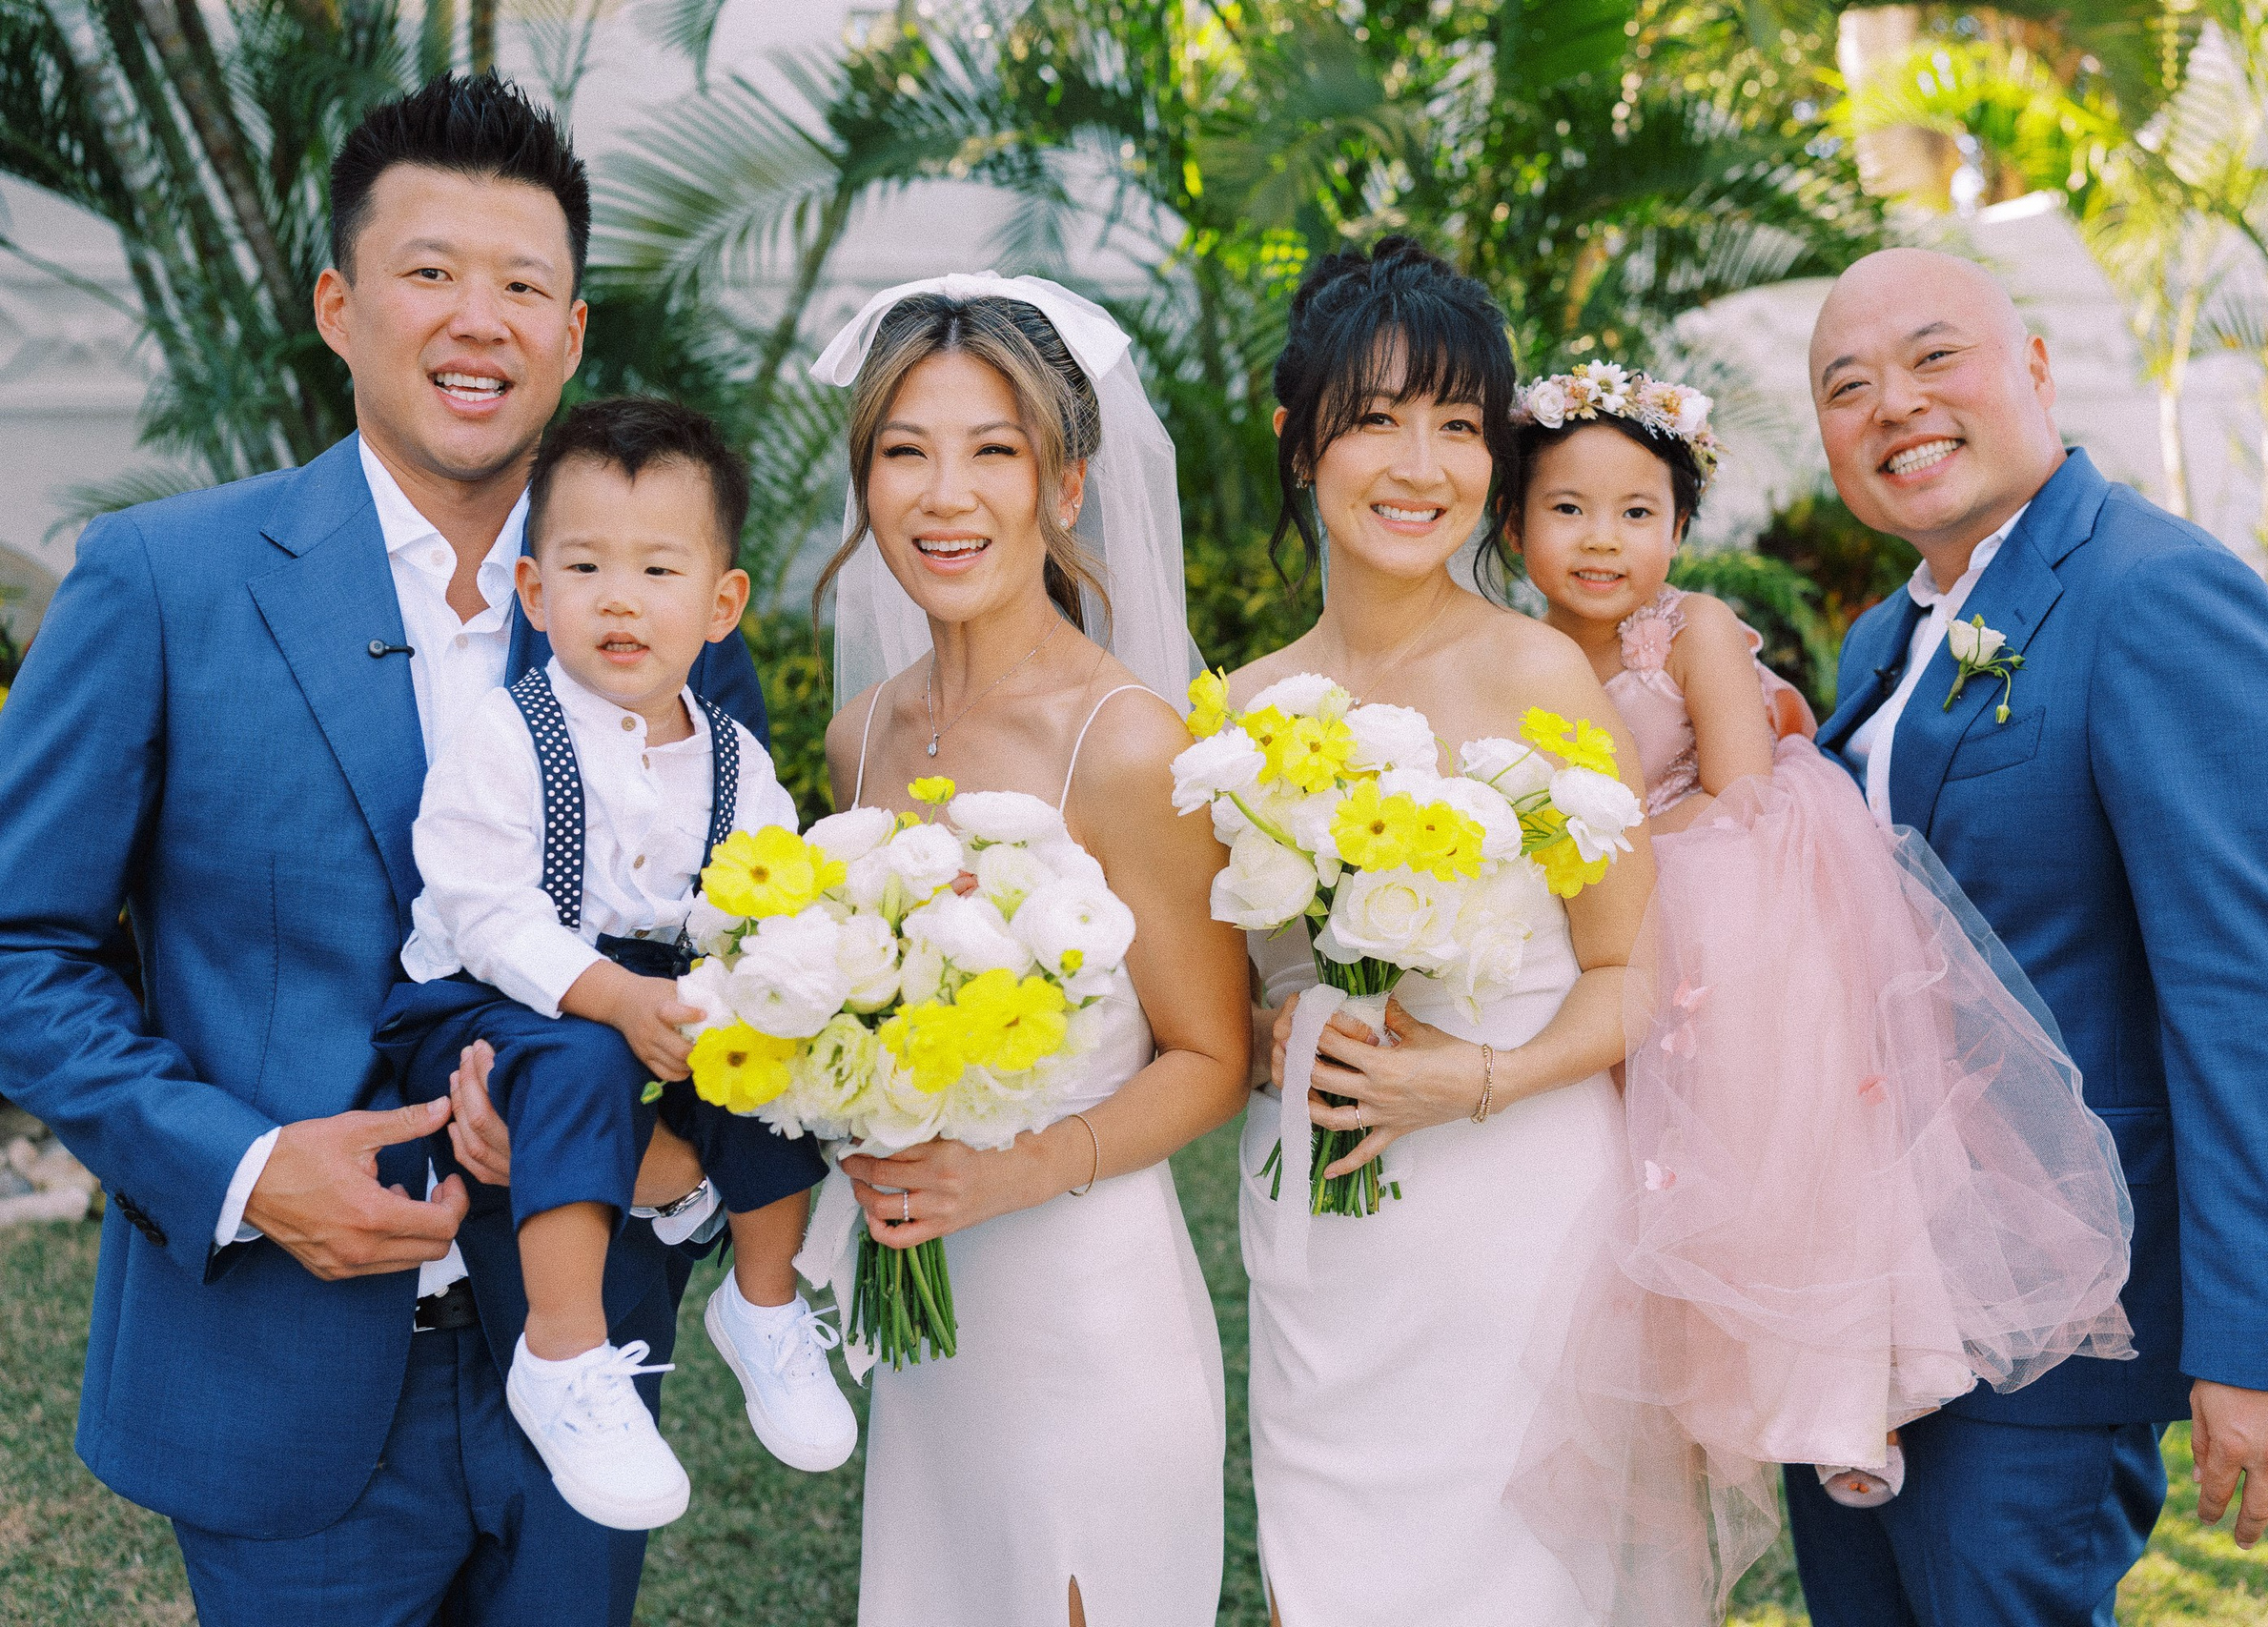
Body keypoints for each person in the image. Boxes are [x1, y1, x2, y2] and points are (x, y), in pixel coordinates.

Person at [0, 73, 767, 1625]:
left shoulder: (661, 593)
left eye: (523, 285)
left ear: (571, 339)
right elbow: (23, 947)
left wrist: (671, 1149)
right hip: (282, 1373)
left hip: (588, 1346)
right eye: (430, 272)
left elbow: (731, 936)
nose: (477, 319)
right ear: (341, 305)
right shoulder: (162, 579)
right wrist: (253, 1166)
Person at [1496, 359, 2136, 1621]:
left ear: (1679, 528)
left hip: (1726, 929)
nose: (1604, 538)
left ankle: (1844, 1388)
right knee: (1630, 1221)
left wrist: (1608, 872)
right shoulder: (1506, 654)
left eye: (1639, 510)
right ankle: (1712, 1400)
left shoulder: (1691, 634)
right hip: (1572, 953)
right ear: (1515, 523)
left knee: (1791, 1179)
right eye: (1568, 508)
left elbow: (1745, 804)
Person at [1787, 246, 2268, 1625]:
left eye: (1936, 358)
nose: (1895, 406)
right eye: (1846, 385)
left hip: (2054, 1323)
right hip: (1866, 1309)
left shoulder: (2158, 595)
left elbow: (2255, 990)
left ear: (2034, 369)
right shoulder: (1881, 644)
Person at [796, 274, 1245, 1626]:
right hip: (935, 1329)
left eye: (994, 450)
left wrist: (1012, 1169)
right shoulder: (860, 734)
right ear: (867, 477)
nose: (947, 495)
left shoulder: (1125, 741)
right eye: (906, 451)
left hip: (1087, 1319)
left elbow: (1212, 1054)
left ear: (1065, 483)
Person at [1235, 236, 1655, 1625]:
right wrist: (1272, 1029)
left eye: (1459, 425)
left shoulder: (1536, 670)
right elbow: (1225, 1001)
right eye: (1376, 418)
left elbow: (1626, 974)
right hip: (1324, 1228)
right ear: (1300, 443)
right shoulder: (1243, 713)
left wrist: (1466, 1078)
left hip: (1518, 1214)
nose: (1421, 465)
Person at [374, 397, 851, 1533]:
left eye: (658, 569)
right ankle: (568, 1352)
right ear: (535, 593)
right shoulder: (508, 733)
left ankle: (767, 1303)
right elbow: (479, 907)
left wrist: (749, 995)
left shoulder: (738, 759)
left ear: (722, 603)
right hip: (495, 1000)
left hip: (658, 998)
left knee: (769, 1061)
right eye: (584, 567)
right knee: (586, 1059)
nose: (620, 599)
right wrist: (616, 998)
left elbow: (766, 905)